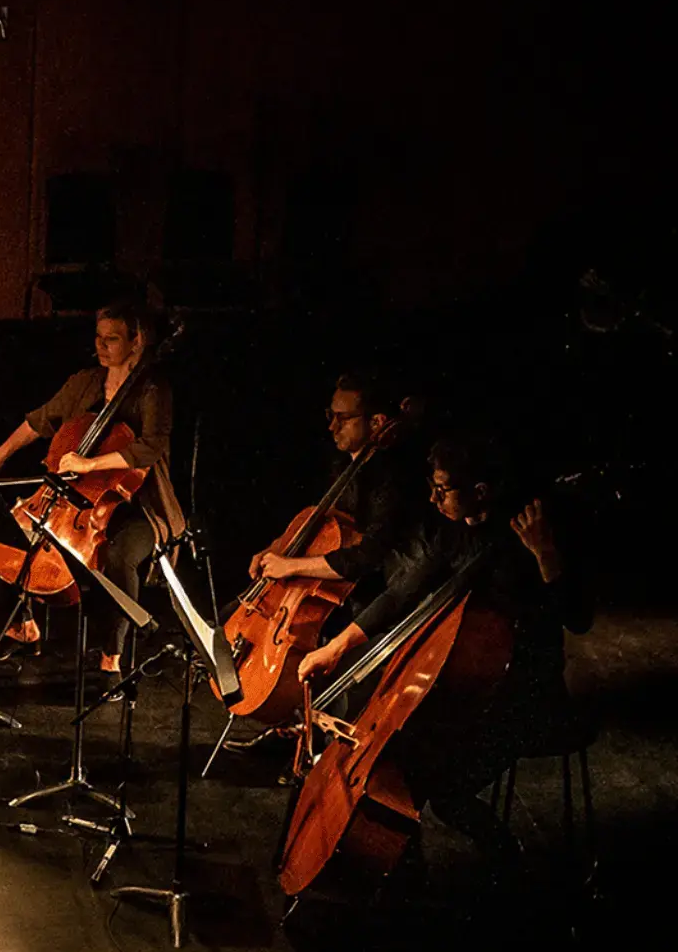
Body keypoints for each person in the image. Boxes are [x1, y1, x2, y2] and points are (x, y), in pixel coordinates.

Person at [295, 435, 591, 865]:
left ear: (480, 492)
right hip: (471, 695)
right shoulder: (453, 531)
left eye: (442, 488)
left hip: (527, 697)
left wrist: (546, 556)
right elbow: (401, 595)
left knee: (443, 789)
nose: (432, 498)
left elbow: (578, 618)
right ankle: (396, 875)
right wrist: (337, 647)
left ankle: (510, 863)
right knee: (400, 761)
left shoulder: (534, 535)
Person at [0, 301, 184, 672]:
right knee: (10, 532)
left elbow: (148, 448)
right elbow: (40, 421)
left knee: (119, 558)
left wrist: (89, 464)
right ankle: (25, 629)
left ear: (137, 342)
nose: (102, 347)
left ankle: (111, 658)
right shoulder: (87, 381)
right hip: (76, 501)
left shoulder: (154, 390)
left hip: (139, 503)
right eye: (99, 338)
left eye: (113, 339)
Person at [245, 370, 418, 604]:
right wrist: (277, 548)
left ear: (377, 422)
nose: (332, 428)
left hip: (372, 597)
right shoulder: (342, 465)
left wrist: (291, 566)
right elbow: (323, 521)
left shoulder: (391, 478)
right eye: (331, 416)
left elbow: (368, 556)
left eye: (343, 418)